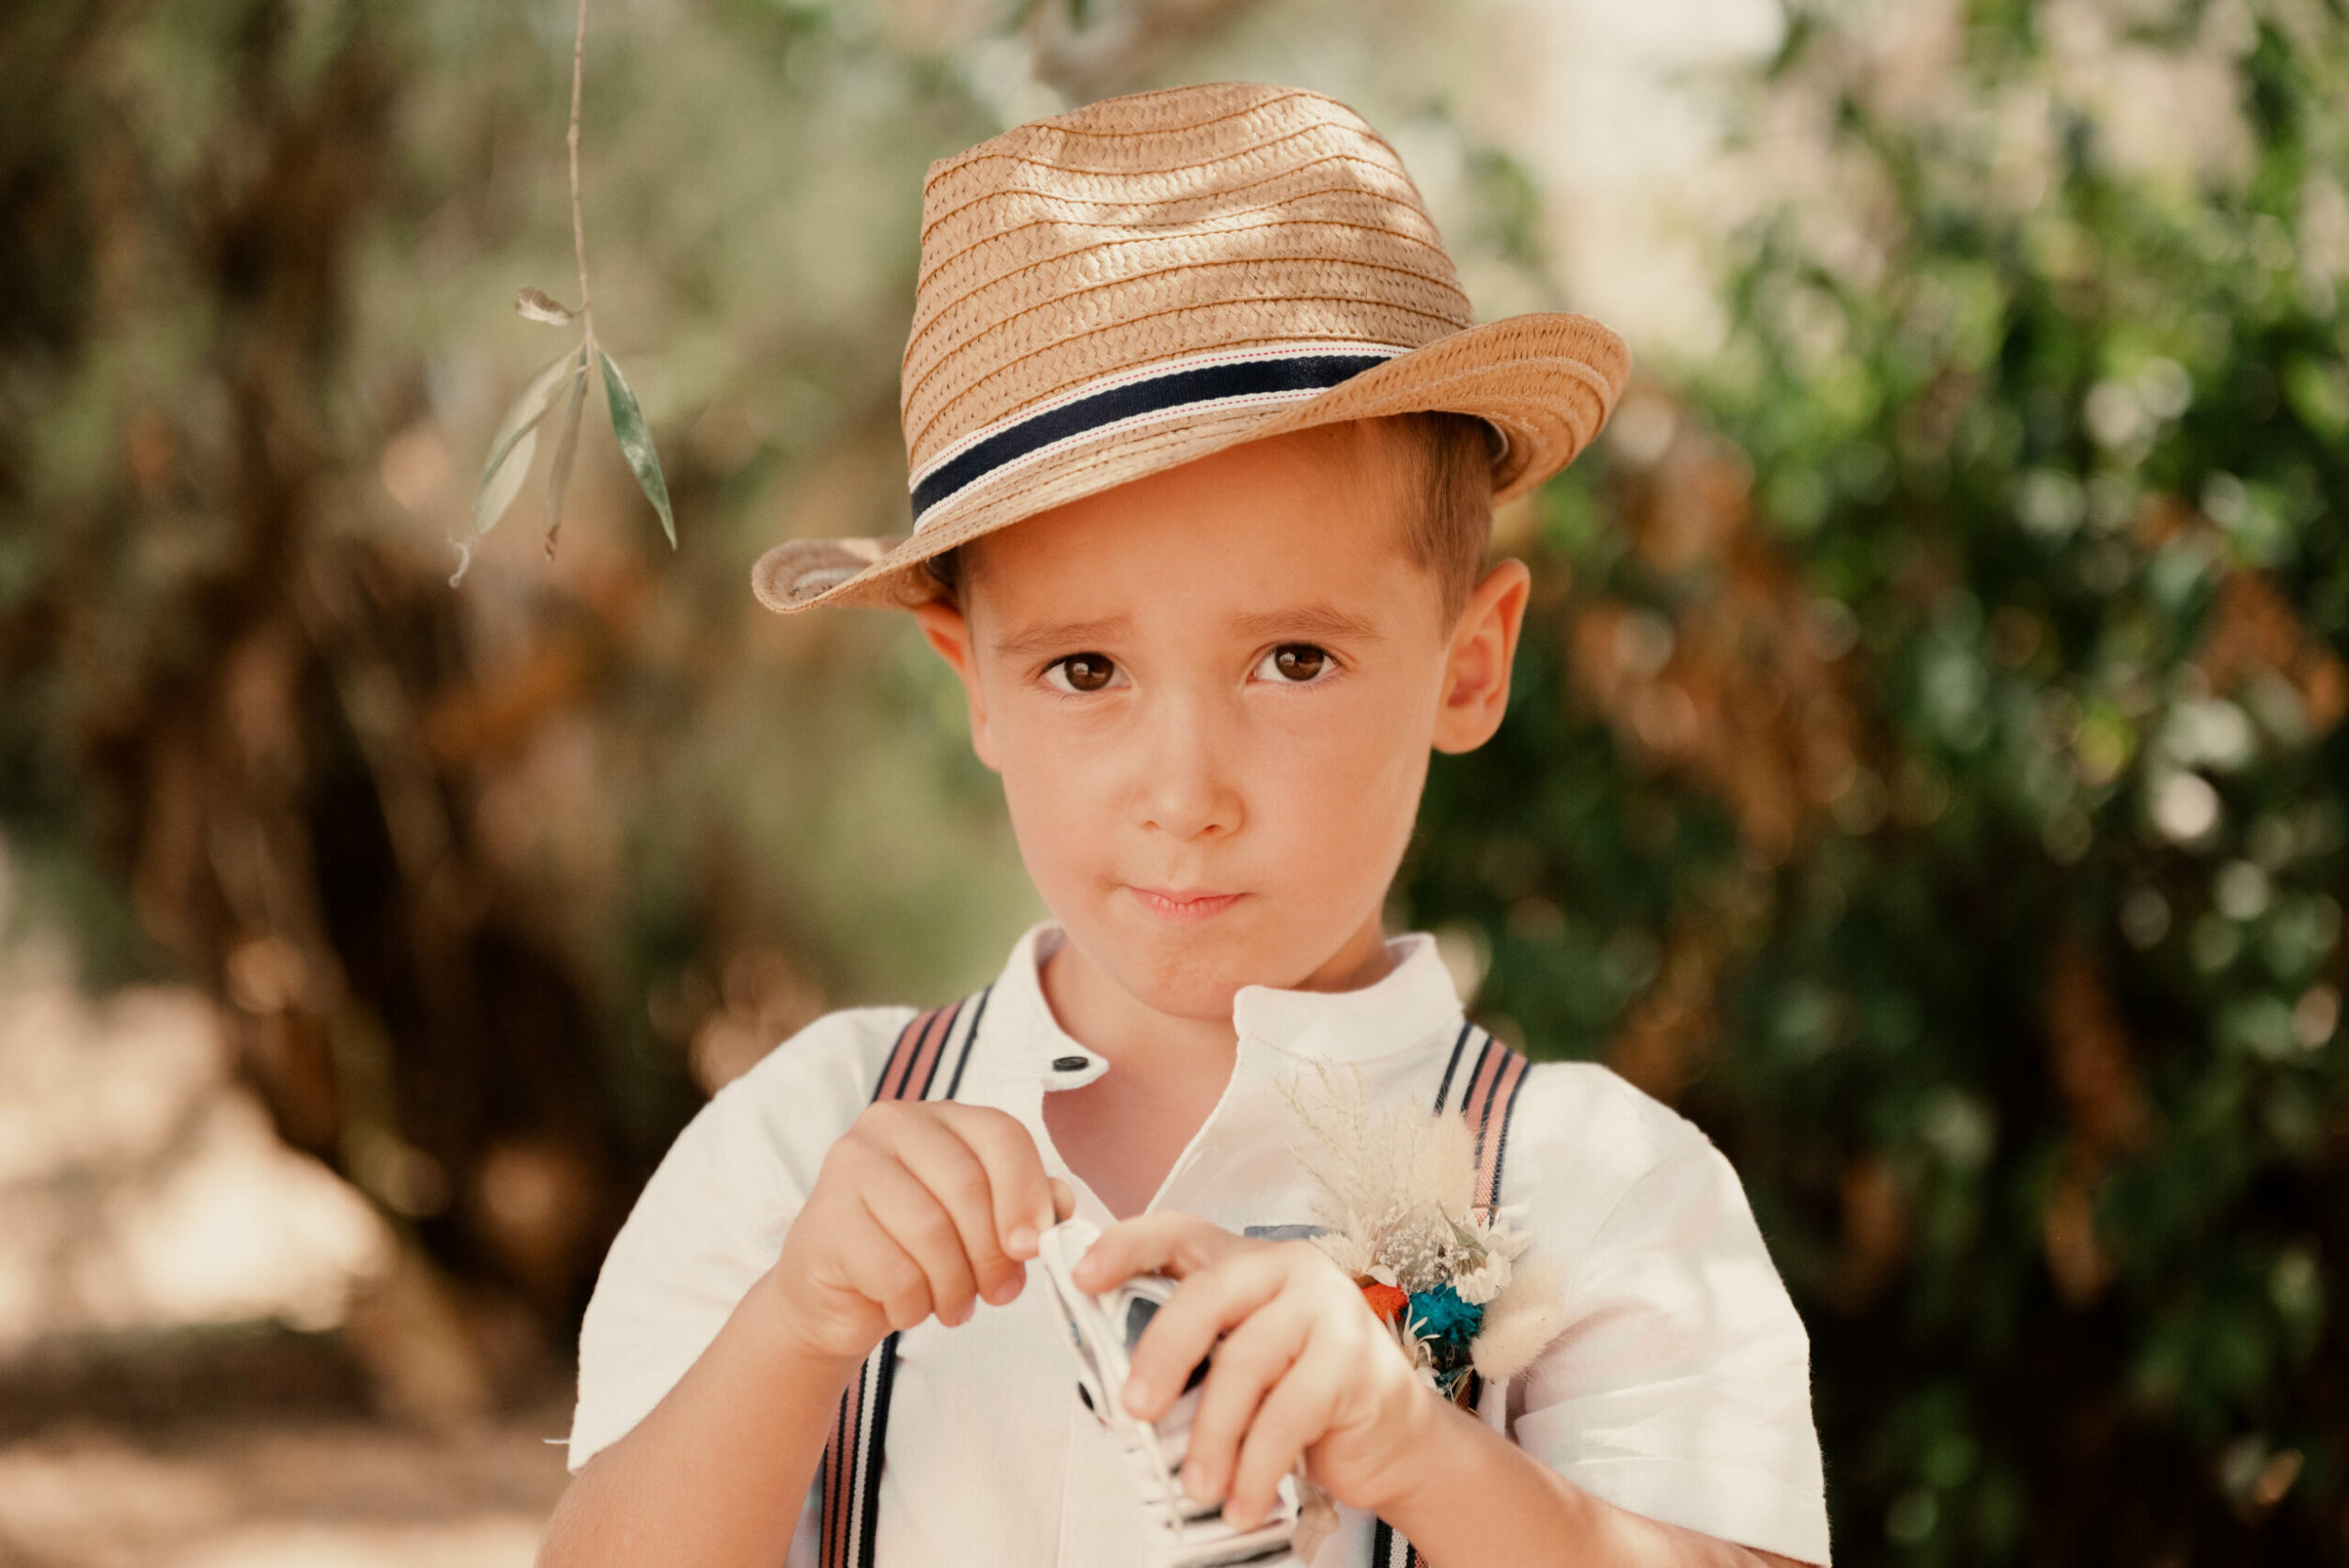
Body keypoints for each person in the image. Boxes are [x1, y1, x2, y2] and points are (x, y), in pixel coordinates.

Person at [538, 81, 1829, 1568]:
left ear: (1468, 663)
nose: (1184, 790)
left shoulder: (1593, 1187)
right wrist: (790, 1328)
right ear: (977, 689)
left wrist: (1424, 1452)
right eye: (1085, 669)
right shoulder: (807, 1143)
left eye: (1295, 660)